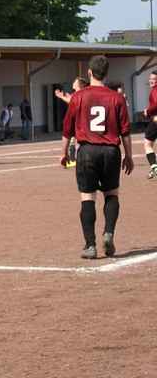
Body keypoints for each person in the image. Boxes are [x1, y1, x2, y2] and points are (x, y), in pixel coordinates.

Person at [61, 55, 133, 259]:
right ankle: (109, 233)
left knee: (87, 198)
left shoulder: (78, 97)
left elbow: (67, 129)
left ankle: (90, 245)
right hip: (111, 151)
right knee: (112, 194)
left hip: (87, 151)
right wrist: (129, 156)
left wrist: (63, 152)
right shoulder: (117, 98)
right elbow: (125, 131)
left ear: (89, 72)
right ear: (106, 73)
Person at [55, 77, 89, 166]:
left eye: (75, 81)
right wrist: (64, 96)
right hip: (80, 124)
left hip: (80, 124)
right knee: (75, 143)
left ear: (79, 85)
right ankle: (76, 159)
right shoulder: (78, 94)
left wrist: (62, 96)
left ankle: (77, 160)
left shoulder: (79, 95)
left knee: (77, 143)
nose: (73, 82)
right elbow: (71, 100)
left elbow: (72, 101)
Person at [144, 70, 157, 179]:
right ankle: (153, 169)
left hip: (155, 120)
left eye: (153, 79)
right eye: (150, 79)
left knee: (147, 144)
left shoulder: (154, 91)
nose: (151, 81)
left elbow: (156, 103)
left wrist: (147, 111)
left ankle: (154, 168)